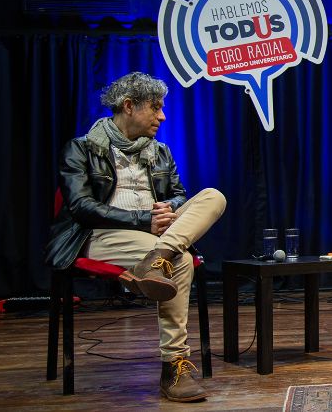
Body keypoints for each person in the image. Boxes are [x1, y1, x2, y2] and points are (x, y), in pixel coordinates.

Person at [45, 72, 226, 402]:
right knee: (182, 260)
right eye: (155, 108)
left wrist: (169, 209)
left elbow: (179, 194)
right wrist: (145, 220)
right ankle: (173, 366)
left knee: (213, 195)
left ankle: (156, 259)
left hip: (157, 234)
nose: (163, 116)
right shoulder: (81, 149)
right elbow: (81, 207)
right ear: (129, 106)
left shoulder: (161, 152)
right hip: (101, 234)